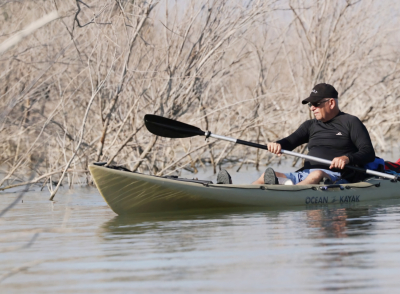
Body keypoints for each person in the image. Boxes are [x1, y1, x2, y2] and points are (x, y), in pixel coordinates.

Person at [217, 83, 375, 185]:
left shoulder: (351, 122)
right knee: (266, 175)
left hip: (335, 176)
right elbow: (289, 142)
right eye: (310, 105)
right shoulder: (310, 125)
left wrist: (347, 158)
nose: (312, 108)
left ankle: (289, 193)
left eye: (316, 104)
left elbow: (368, 153)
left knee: (317, 174)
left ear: (331, 103)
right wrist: (277, 145)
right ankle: (240, 192)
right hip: (305, 175)